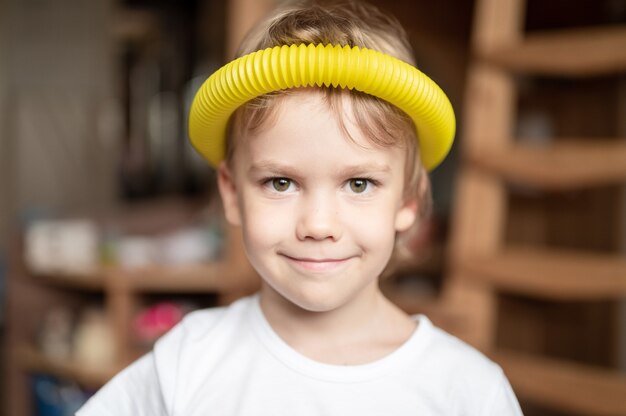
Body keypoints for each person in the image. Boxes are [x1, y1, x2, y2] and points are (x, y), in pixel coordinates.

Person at [77, 1, 523, 414]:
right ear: (232, 193)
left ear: (407, 200)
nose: (318, 225)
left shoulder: (469, 391)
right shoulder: (187, 361)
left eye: (359, 183)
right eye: (281, 182)